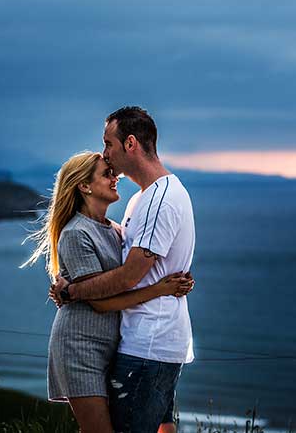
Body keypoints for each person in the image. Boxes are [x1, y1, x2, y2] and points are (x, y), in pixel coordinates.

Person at [23, 150, 194, 433]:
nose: (115, 178)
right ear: (84, 186)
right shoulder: (76, 233)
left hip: (113, 347)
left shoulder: (114, 230)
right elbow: (102, 304)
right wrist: (160, 289)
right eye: (106, 174)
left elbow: (138, 270)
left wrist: (175, 276)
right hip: (81, 348)